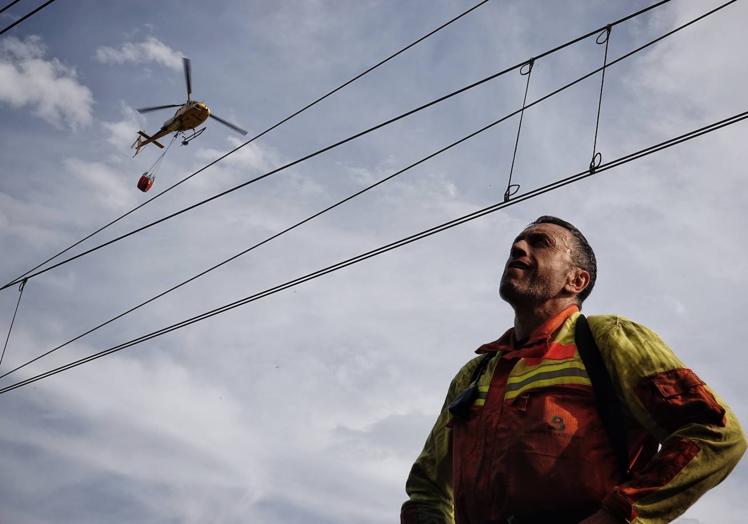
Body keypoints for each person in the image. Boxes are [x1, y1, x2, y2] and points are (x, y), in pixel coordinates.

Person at [401, 216, 746, 524]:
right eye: (516, 244)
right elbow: (427, 488)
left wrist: (618, 514)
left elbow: (716, 432)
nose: (518, 248)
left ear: (576, 280)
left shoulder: (607, 338)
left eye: (539, 243)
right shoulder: (474, 375)